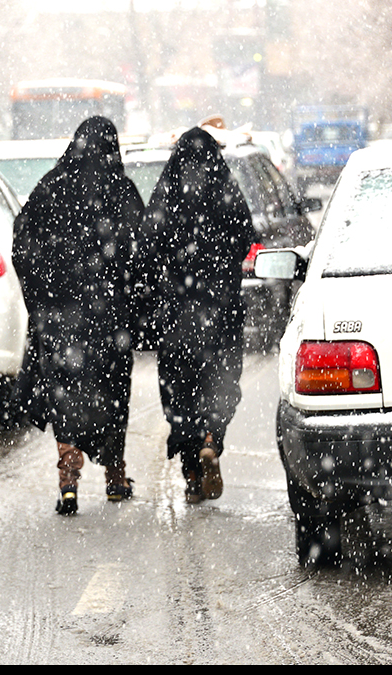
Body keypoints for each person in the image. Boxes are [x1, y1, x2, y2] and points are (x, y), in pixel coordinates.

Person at [11, 116, 144, 515]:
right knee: (112, 394)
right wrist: (131, 301)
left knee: (65, 391)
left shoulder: (50, 187)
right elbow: (142, 250)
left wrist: (42, 299)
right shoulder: (121, 191)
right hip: (109, 319)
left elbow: (22, 246)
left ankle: (68, 476)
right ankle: (115, 478)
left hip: (59, 318)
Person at [139, 126, 257, 504]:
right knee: (220, 383)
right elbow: (245, 239)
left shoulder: (167, 193)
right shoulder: (226, 189)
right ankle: (211, 438)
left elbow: (148, 243)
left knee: (181, 392)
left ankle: (191, 473)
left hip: (176, 314)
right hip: (221, 311)